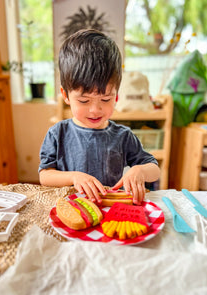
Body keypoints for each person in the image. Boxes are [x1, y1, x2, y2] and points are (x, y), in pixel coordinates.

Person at [39, 29, 160, 205]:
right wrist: (74, 177)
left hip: (111, 210)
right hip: (73, 210)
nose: (95, 110)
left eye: (105, 99)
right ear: (65, 95)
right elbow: (45, 176)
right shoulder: (57, 133)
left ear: (117, 96)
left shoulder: (123, 136)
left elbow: (154, 169)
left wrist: (140, 171)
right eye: (84, 100)